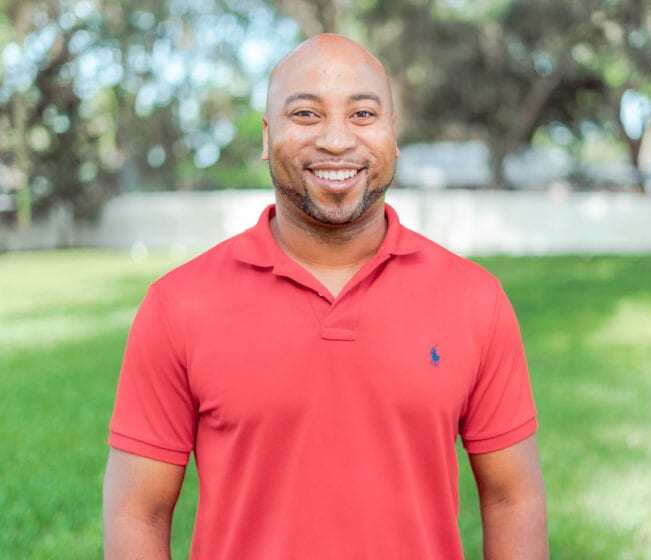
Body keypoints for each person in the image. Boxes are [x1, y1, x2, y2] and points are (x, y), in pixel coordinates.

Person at [102, 33, 548, 559]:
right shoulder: (177, 306)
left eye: (362, 114)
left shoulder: (476, 301)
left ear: (392, 134)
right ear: (268, 137)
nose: (337, 140)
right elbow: (138, 510)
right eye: (307, 115)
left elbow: (511, 497)